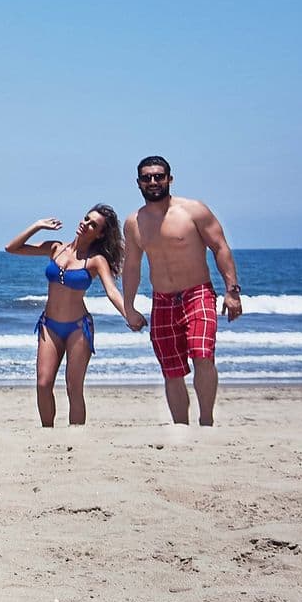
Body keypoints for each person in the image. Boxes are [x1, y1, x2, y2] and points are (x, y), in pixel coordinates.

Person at [121, 156, 241, 426]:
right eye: (147, 177)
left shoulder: (193, 211)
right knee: (172, 370)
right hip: (162, 300)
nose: (153, 181)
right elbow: (131, 266)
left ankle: (207, 422)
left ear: (169, 179)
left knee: (202, 354)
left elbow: (220, 247)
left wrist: (231, 291)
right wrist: (129, 307)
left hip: (197, 294)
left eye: (159, 176)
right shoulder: (133, 222)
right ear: (138, 183)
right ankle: (181, 427)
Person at [4, 205, 128, 427]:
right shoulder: (56, 248)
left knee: (73, 387)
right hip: (49, 326)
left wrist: (129, 314)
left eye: (93, 225)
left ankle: (76, 436)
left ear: (100, 234)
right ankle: (48, 434)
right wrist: (37, 225)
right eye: (86, 219)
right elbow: (12, 248)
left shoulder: (96, 260)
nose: (86, 224)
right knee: (43, 384)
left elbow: (111, 291)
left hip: (78, 328)